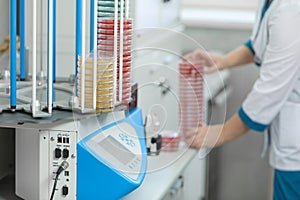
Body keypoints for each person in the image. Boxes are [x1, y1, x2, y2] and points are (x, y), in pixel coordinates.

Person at [184, 0, 300, 199]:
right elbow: (262, 43)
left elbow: (269, 92)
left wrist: (219, 134)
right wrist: (224, 61)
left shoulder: (292, 8)